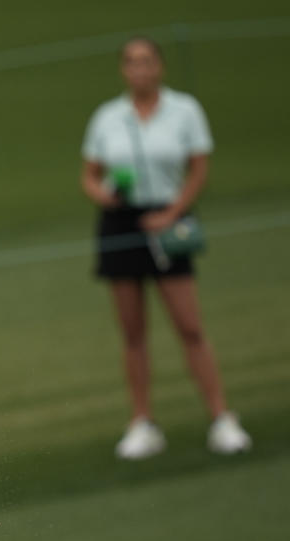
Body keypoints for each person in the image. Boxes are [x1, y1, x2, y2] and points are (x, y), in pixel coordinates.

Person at [80, 37, 252, 460]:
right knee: (133, 332)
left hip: (169, 218)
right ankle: (143, 423)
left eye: (147, 61)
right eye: (132, 62)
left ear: (160, 66)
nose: (140, 69)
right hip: (121, 220)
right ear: (123, 69)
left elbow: (198, 168)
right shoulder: (108, 116)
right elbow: (90, 173)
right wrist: (102, 195)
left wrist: (173, 211)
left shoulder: (184, 110)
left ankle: (221, 417)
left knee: (189, 326)